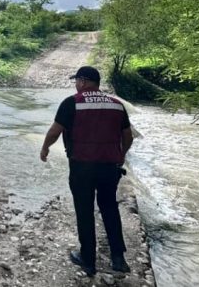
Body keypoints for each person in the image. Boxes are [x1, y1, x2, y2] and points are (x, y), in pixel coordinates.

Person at [40, 65, 133, 276]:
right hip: (110, 166)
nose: (76, 84)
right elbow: (128, 136)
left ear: (82, 81)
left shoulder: (72, 102)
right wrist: (121, 155)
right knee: (109, 207)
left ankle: (88, 260)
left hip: (82, 167)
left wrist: (45, 148)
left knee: (84, 210)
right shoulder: (117, 105)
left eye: (77, 81)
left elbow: (55, 131)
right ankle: (118, 259)